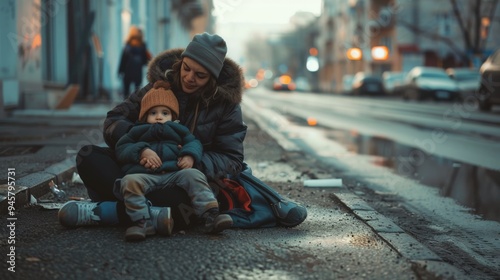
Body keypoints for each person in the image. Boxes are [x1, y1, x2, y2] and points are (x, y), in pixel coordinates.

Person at [58, 32, 306, 232]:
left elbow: (231, 159)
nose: (189, 78)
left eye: (200, 75)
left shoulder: (226, 106)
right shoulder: (159, 87)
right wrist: (141, 148)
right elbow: (114, 121)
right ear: (181, 62)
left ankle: (109, 212)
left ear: (213, 77)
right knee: (88, 157)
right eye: (186, 68)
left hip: (182, 180)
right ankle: (152, 215)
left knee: (184, 204)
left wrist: (190, 160)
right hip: (138, 170)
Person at [114, 80, 232, 241]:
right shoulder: (137, 131)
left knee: (194, 175)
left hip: (174, 173)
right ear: (144, 116)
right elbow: (122, 148)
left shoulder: (178, 130)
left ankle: (210, 215)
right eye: (153, 113)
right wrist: (141, 150)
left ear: (173, 116)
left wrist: (189, 155)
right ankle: (141, 222)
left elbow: (194, 142)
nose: (159, 117)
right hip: (145, 174)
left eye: (165, 113)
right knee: (128, 182)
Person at [118, 25, 152, 99]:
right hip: (137, 72)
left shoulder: (128, 46)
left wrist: (120, 71)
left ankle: (125, 106)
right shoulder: (143, 46)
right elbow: (145, 60)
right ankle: (136, 106)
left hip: (127, 72)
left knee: (126, 92)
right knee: (137, 91)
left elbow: (123, 60)